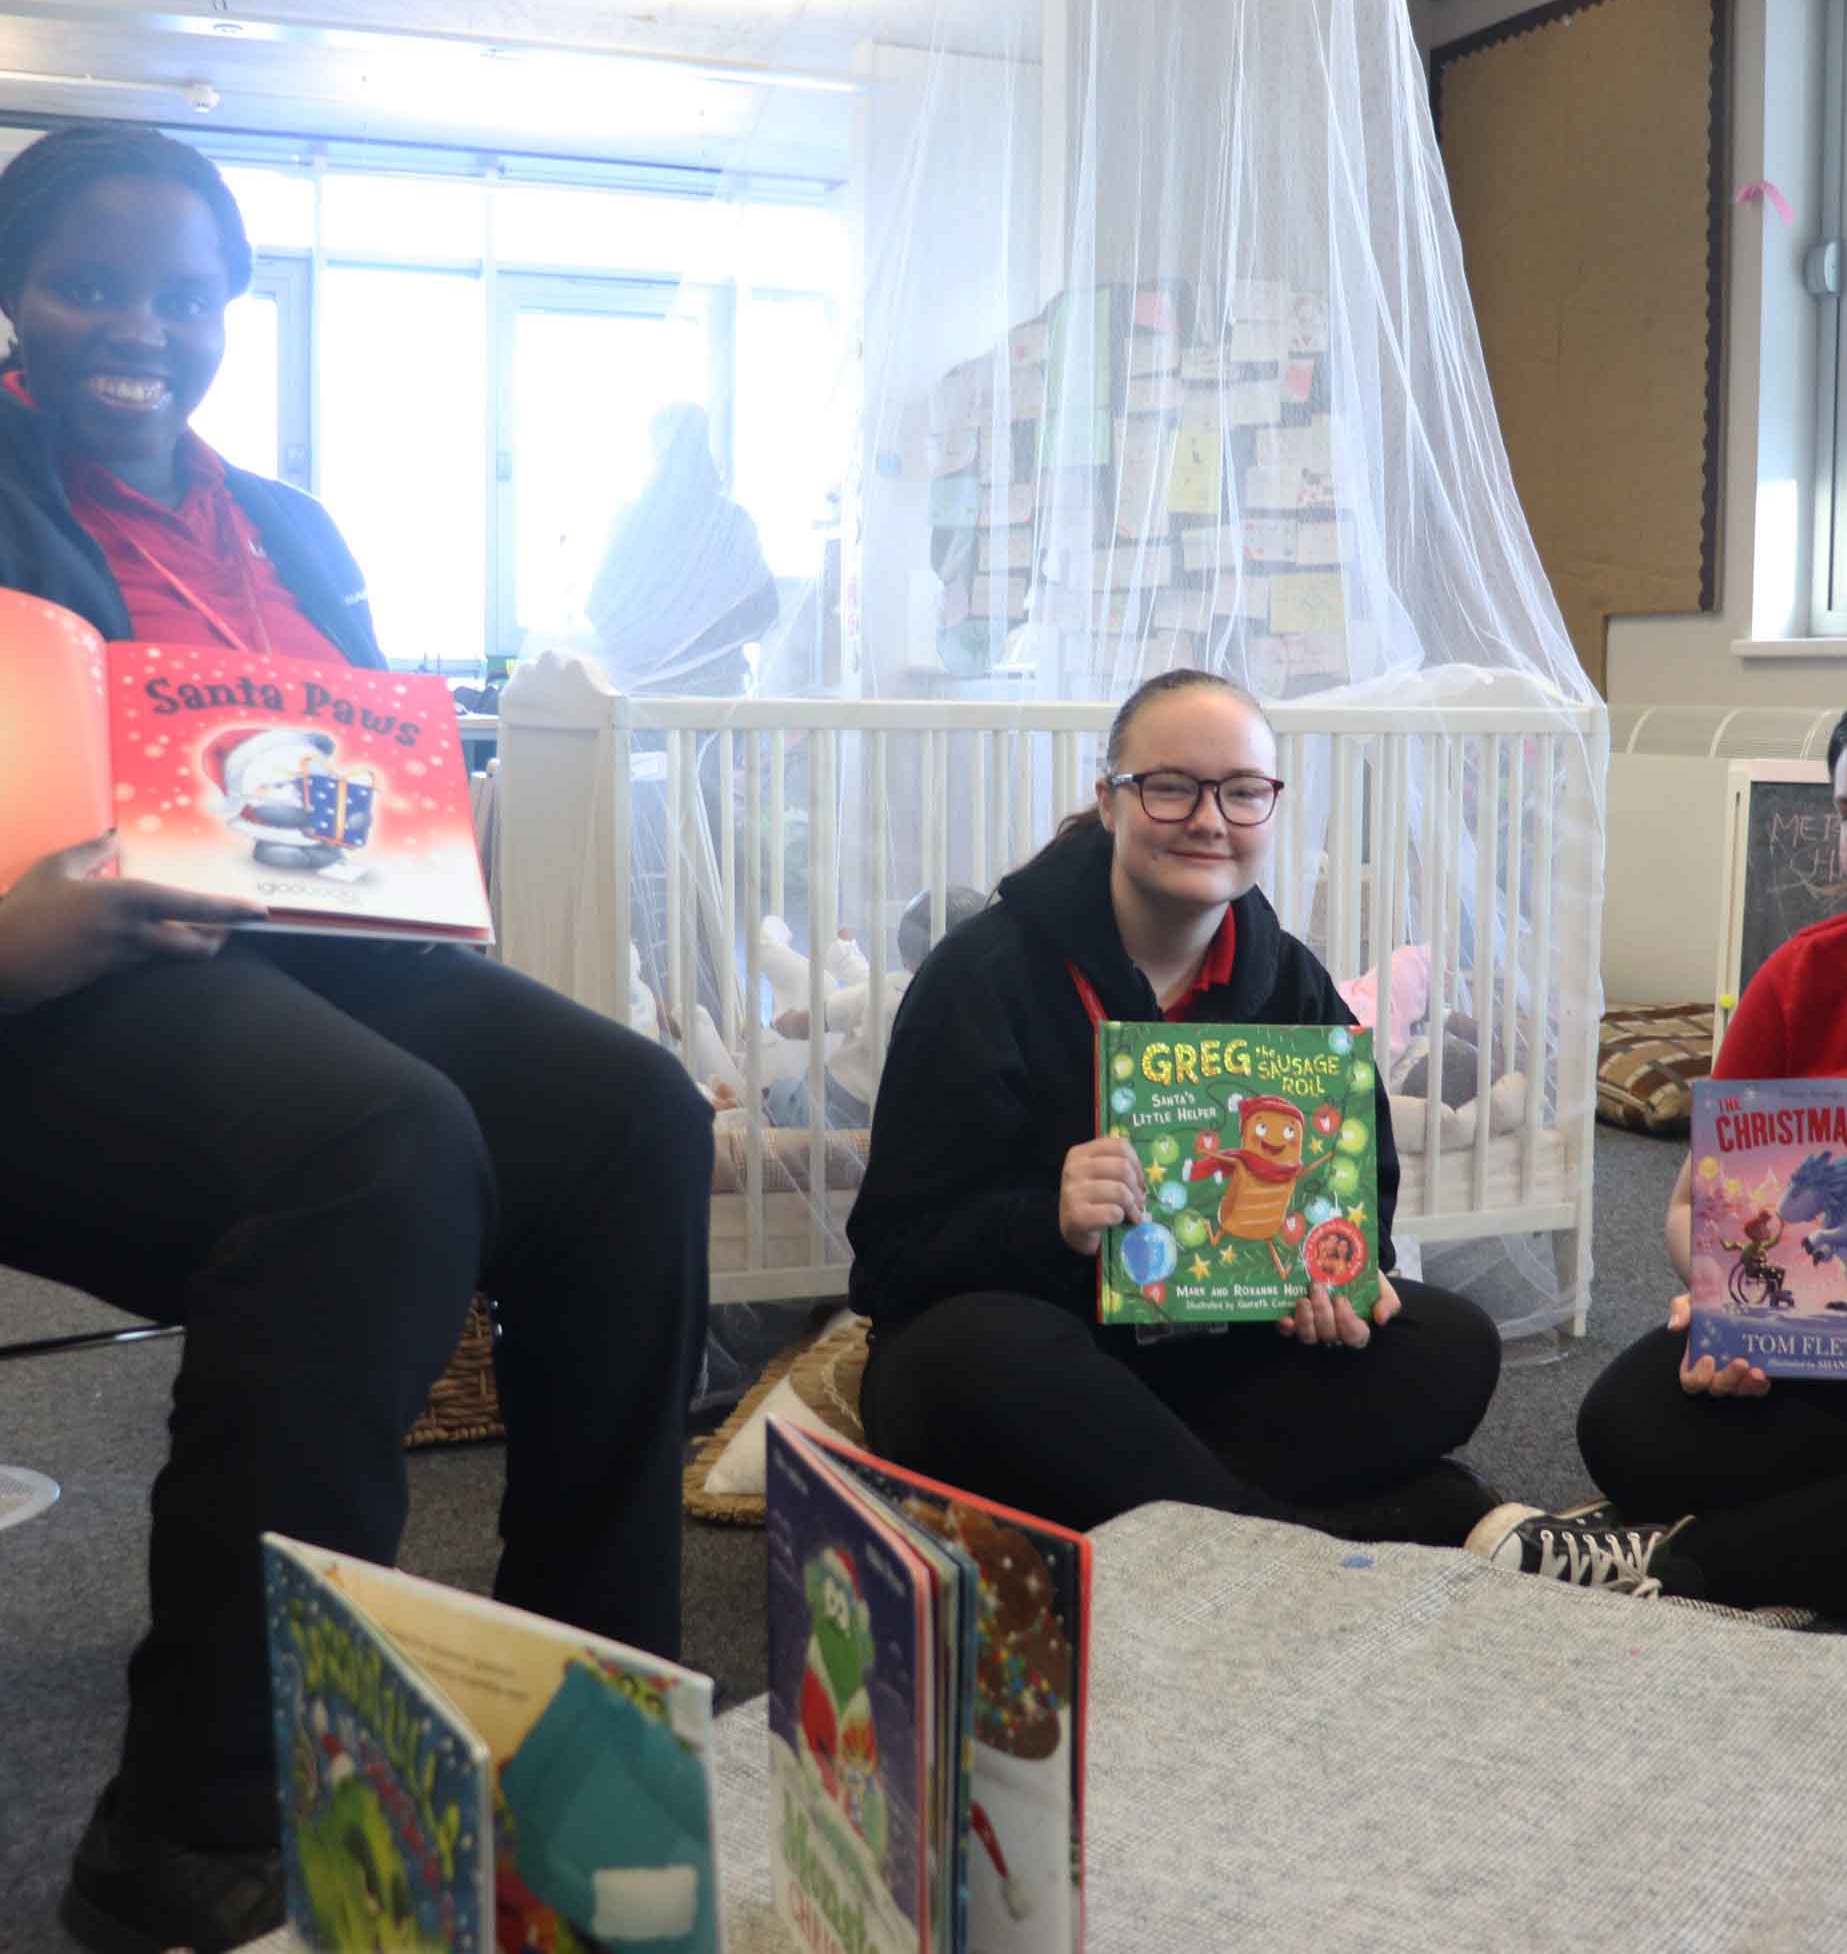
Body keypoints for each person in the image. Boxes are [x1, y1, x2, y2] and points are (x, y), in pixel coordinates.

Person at [0, 124, 712, 1952]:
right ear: (19, 292)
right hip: (48, 989)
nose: (137, 325)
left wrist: (417, 829)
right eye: (92, 281)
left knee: (631, 1110)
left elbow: (337, 789)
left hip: (291, 959)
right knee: (378, 1143)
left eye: (182, 291)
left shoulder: (291, 527)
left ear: (232, 308)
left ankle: (583, 1693)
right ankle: (196, 1814)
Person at [847, 668, 1504, 1540]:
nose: (1208, 820)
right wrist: (1052, 1219)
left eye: (1241, 793)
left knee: (1451, 1343)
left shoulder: (1293, 981)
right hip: (1040, 1349)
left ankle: (1179, 1513)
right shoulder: (982, 975)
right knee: (969, 1363)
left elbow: (1360, 1194)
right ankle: (1313, 1538)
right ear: (1110, 801)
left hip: (1216, 1360)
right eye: (1169, 788)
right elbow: (888, 1264)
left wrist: (1335, 1278)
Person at [1467, 660, 1847, 1628]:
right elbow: (1685, 1209)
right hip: (1830, 1361)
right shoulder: (1800, 978)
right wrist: (1724, 1293)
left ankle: (1699, 1561)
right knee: (1626, 1421)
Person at [585, 401, 781, 701]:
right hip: (709, 699)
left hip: (642, 699)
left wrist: (660, 649)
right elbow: (764, 611)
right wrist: (706, 645)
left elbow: (598, 608)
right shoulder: (732, 523)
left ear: (654, 455)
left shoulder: (632, 523)